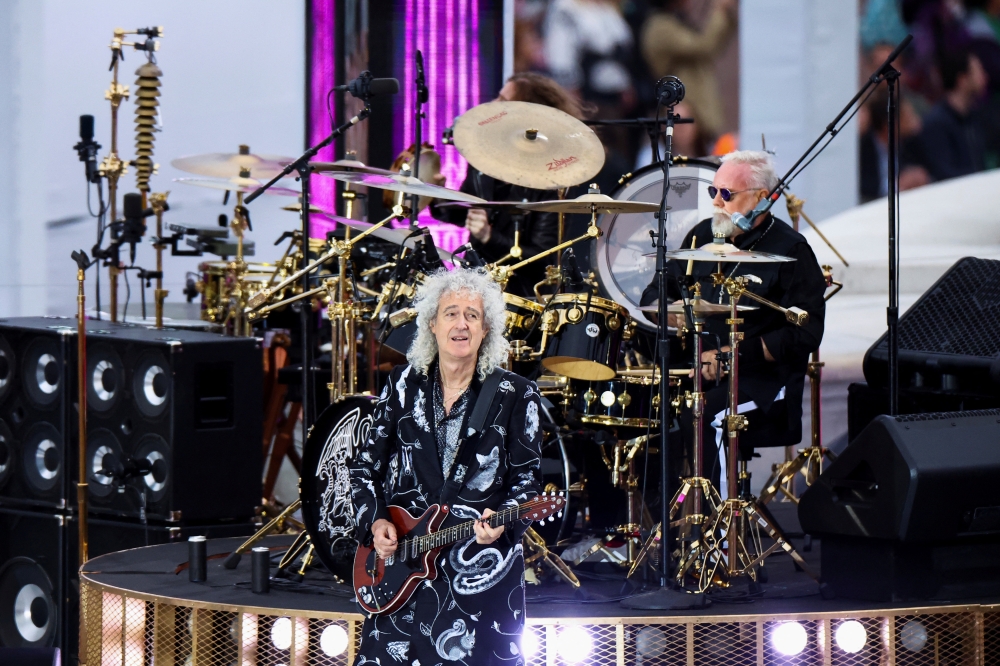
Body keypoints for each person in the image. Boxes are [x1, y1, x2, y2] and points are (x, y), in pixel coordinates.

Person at [349, 268, 543, 666]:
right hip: (400, 571)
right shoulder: (402, 385)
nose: (461, 324)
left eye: (472, 315)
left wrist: (505, 519)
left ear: (486, 328)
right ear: (432, 325)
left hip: (475, 576)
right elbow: (363, 467)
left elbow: (527, 480)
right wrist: (376, 521)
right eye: (450, 313)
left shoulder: (517, 394)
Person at [640, 150, 826, 496]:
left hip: (765, 383)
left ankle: (716, 536)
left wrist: (731, 357)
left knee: (703, 415)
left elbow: (806, 332)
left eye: (727, 194)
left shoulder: (792, 249)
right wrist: (667, 310)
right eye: (714, 192)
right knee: (639, 409)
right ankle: (658, 527)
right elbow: (654, 294)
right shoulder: (700, 238)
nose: (717, 203)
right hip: (698, 370)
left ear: (761, 198)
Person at [431, 73, 590, 298]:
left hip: (521, 296)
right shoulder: (484, 162)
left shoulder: (551, 181)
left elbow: (542, 261)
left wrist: (489, 237)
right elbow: (466, 213)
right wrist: (436, 194)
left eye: (503, 101)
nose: (492, 105)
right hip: (476, 282)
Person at [640, 0, 738, 141]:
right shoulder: (660, 27)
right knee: (685, 156)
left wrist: (724, 13)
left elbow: (710, 46)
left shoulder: (673, 21)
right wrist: (720, 10)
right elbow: (705, 46)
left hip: (697, 108)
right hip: (685, 106)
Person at [920, 48, 990, 181]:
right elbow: (944, 173)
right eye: (978, 71)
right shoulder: (936, 123)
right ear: (962, 79)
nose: (985, 76)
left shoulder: (974, 116)